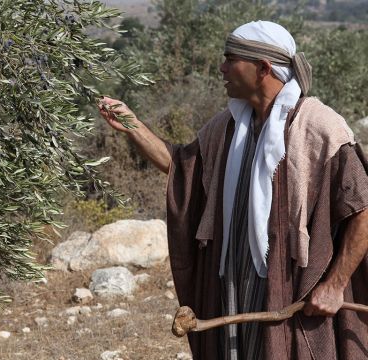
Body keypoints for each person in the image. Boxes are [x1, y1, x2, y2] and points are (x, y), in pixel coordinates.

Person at [98, 20, 368, 360]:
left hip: (289, 289)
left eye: (230, 59)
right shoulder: (227, 126)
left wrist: (334, 284)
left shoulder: (320, 128)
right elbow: (181, 165)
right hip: (231, 284)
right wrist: (131, 125)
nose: (222, 67)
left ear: (262, 68)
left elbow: (363, 209)